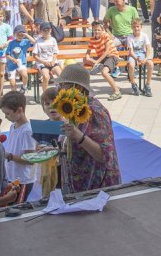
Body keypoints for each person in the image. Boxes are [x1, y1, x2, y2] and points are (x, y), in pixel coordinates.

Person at [49, 65, 121, 194]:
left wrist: (80, 137)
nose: (59, 89)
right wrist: (54, 150)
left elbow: (105, 155)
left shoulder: (94, 112)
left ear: (78, 88)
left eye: (63, 85)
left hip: (99, 187)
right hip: (82, 186)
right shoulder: (75, 108)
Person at [0, 91, 40, 203]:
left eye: (8, 113)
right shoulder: (13, 126)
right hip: (13, 177)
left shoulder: (27, 131)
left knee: (17, 208)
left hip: (23, 180)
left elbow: (30, 160)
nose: (5, 117)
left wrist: (10, 156)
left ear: (20, 110)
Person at [82, 20, 123, 101]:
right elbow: (88, 53)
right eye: (95, 30)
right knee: (84, 59)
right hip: (102, 58)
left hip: (112, 56)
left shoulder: (105, 36)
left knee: (104, 72)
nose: (96, 31)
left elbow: (107, 51)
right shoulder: (92, 39)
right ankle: (99, 65)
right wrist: (87, 57)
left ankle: (117, 91)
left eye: (98, 30)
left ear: (102, 30)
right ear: (92, 30)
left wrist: (96, 61)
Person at [125, 17, 154, 96]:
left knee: (150, 64)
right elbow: (131, 52)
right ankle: (133, 84)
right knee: (131, 65)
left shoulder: (144, 35)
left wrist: (146, 58)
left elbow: (148, 48)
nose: (136, 28)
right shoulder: (130, 37)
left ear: (141, 27)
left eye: (138, 26)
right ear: (131, 27)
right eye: (134, 26)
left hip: (142, 55)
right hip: (134, 55)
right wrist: (136, 59)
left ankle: (147, 85)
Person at [31, 21, 62, 95]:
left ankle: (60, 92)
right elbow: (34, 55)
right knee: (46, 76)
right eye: (44, 30)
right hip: (42, 63)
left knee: (61, 75)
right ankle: (45, 94)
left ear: (50, 30)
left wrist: (53, 61)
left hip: (52, 61)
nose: (46, 32)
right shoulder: (38, 42)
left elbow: (55, 52)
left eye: (48, 30)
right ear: (41, 31)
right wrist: (43, 62)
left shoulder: (53, 40)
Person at [4, 26, 33, 92]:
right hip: (12, 64)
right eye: (18, 34)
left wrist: (26, 34)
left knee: (25, 75)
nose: (20, 36)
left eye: (21, 34)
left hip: (21, 63)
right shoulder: (11, 43)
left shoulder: (25, 42)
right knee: (12, 84)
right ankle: (15, 96)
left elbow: (34, 42)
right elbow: (7, 54)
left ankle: (24, 87)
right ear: (14, 34)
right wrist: (12, 59)